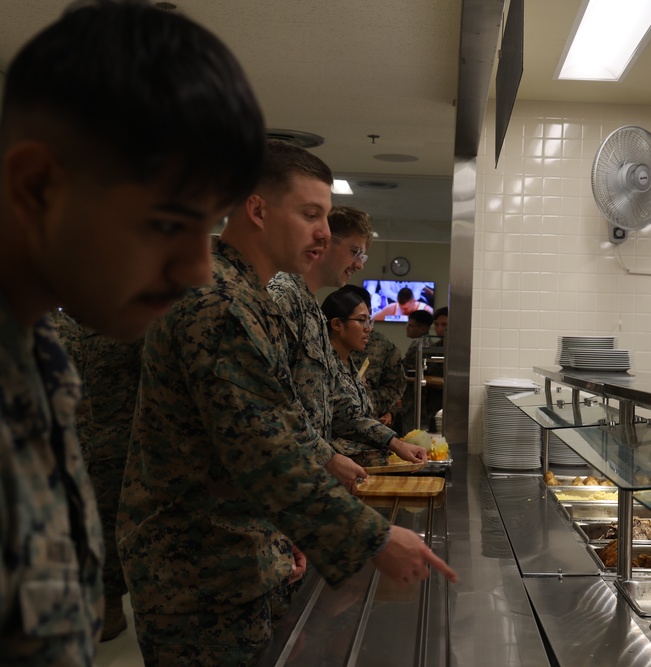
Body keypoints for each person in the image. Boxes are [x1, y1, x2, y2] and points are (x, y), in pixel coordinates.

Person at [118, 140, 456, 664]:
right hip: (199, 567)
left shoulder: (245, 295)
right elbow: (264, 449)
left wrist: (290, 528)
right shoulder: (219, 302)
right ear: (257, 209)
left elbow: (284, 418)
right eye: (310, 214)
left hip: (233, 551)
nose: (324, 231)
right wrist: (372, 539)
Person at [0, 2, 266, 664]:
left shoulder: (41, 354)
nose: (198, 268)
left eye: (207, 228)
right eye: (166, 222)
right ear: (36, 186)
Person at [50, 310, 143, 642]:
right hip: (89, 443)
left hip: (119, 444)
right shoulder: (68, 324)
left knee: (106, 527)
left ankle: (109, 608)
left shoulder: (126, 322)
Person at [268, 204, 372, 448]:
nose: (359, 265)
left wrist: (390, 441)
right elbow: (274, 397)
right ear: (325, 242)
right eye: (354, 251)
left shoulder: (312, 308)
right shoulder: (283, 297)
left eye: (362, 256)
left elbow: (333, 401)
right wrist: (329, 460)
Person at [322, 288, 427, 467]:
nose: (368, 328)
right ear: (337, 324)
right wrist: (395, 443)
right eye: (361, 320)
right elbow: (350, 418)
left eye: (368, 320)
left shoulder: (347, 364)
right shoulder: (322, 364)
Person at [342, 284, 406, 427]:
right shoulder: (320, 344)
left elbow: (395, 387)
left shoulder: (383, 347)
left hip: (368, 426)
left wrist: (367, 400)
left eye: (365, 319)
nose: (367, 328)